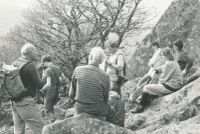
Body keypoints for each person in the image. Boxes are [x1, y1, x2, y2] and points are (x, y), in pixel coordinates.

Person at [69, 47, 115, 124]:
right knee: (113, 111)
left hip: (79, 108)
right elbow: (106, 99)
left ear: (90, 57)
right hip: (97, 109)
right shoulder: (105, 76)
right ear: (101, 61)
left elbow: (71, 94)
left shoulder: (78, 70)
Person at [131, 47, 183, 113]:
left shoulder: (169, 64)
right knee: (151, 89)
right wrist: (157, 69)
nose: (162, 57)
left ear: (165, 56)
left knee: (146, 87)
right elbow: (163, 67)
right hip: (176, 85)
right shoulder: (173, 62)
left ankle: (140, 107)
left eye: (162, 56)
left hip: (172, 86)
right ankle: (146, 99)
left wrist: (155, 83)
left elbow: (163, 80)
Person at [11, 43, 44, 134]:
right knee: (40, 130)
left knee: (18, 130)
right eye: (35, 51)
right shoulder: (30, 65)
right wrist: (45, 76)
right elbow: (40, 84)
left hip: (15, 102)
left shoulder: (15, 62)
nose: (37, 53)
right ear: (30, 52)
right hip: (27, 103)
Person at [40, 55, 61, 122]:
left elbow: (48, 83)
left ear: (46, 61)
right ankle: (54, 122)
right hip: (57, 90)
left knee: (48, 108)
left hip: (50, 91)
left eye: (43, 63)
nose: (43, 64)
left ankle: (52, 123)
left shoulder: (48, 70)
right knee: (52, 107)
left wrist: (42, 89)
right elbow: (60, 79)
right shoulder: (57, 68)